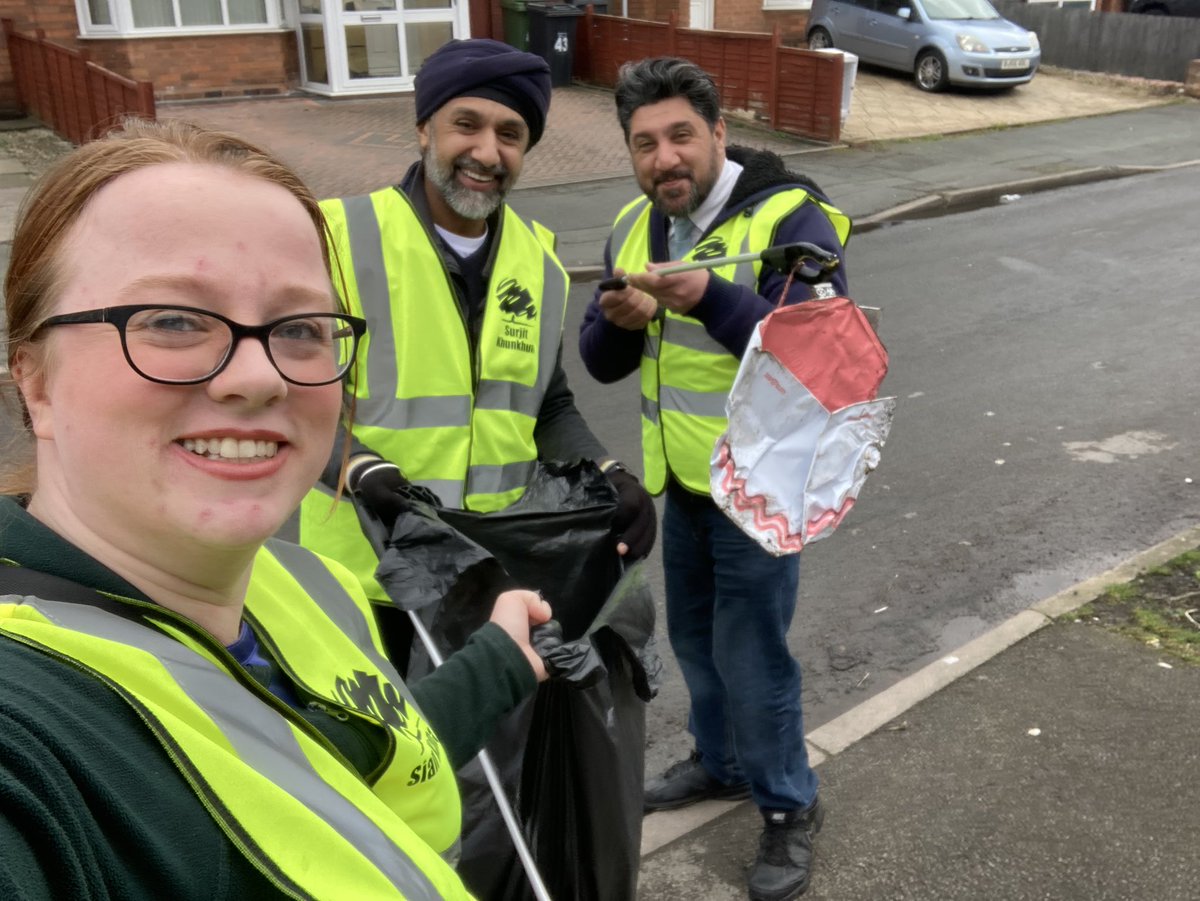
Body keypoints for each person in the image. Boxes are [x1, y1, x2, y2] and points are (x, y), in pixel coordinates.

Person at [0, 117, 553, 900]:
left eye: (299, 328)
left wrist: (497, 661)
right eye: (173, 319)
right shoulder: (29, 724)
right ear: (35, 381)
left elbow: (337, 764)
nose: (259, 376)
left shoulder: (307, 586)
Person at [578, 57, 852, 901]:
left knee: (752, 655)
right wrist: (622, 323)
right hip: (686, 485)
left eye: (681, 137)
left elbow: (826, 359)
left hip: (763, 491)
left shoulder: (789, 218)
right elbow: (600, 359)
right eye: (645, 143)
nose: (665, 159)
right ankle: (723, 762)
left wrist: (709, 299)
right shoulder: (633, 225)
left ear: (719, 133)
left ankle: (788, 804)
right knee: (696, 643)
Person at [299, 38, 656, 610]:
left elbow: (546, 405)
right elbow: (291, 392)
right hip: (361, 578)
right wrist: (359, 469)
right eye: (466, 125)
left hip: (490, 577)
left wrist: (609, 472)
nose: (488, 153)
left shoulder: (540, 260)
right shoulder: (334, 236)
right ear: (425, 129)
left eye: (510, 134)